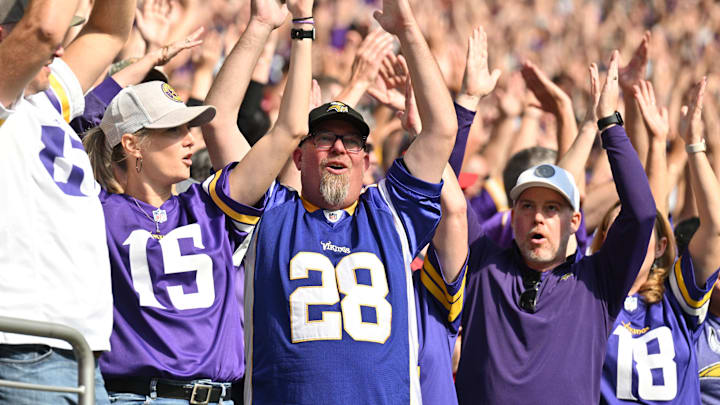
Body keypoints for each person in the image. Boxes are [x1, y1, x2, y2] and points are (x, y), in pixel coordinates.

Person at [201, 0, 458, 402]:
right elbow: (217, 121)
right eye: (323, 138)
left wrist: (407, 31)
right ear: (298, 155)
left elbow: (442, 129)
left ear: (367, 160)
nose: (338, 148)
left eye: (351, 141)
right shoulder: (268, 212)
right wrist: (261, 25)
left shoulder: (389, 215)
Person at [82, 1, 310, 402]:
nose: (191, 139)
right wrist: (148, 58)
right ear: (133, 144)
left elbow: (289, 131)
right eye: (175, 129)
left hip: (220, 397)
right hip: (136, 397)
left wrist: (284, 26)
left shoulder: (211, 207)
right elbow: (80, 116)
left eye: (189, 127)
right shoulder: (95, 211)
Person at [454, 51, 657, 404]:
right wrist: (467, 104)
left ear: (574, 221)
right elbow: (445, 195)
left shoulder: (598, 282)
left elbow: (641, 213)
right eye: (528, 206)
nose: (538, 217)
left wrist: (609, 123)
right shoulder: (483, 263)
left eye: (552, 208)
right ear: (512, 214)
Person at [0, 0, 135, 403]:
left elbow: (108, 33)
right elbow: (45, 29)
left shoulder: (43, 100)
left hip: (79, 353)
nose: (59, 51)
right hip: (25, 348)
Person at [598, 77, 720, 404]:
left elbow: (714, 227)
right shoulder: (589, 300)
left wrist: (693, 145)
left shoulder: (676, 303)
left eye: (640, 235)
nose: (631, 241)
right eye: (619, 232)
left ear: (662, 247)